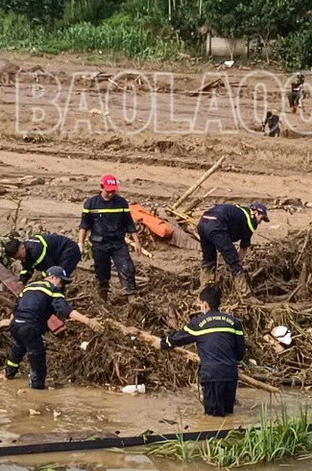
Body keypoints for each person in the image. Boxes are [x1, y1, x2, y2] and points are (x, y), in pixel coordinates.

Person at [159, 285, 247, 416]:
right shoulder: (234, 323)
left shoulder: (198, 324)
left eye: (200, 304)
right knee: (228, 414)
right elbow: (240, 353)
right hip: (230, 375)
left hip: (212, 376)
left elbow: (177, 339)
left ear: (205, 305)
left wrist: (163, 343)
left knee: (213, 418)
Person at [4, 266, 95, 389]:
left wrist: (11, 324)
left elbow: (17, 308)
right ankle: (36, 391)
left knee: (18, 349)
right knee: (37, 358)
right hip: (30, 327)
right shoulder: (53, 289)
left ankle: (7, 376)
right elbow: (65, 310)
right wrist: (89, 322)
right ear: (53, 278)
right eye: (61, 281)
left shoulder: (30, 286)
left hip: (15, 325)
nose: (62, 286)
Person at [79, 175, 140, 297]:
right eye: (108, 191)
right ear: (101, 187)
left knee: (127, 268)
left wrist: (137, 241)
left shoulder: (121, 203)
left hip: (118, 243)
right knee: (102, 272)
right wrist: (80, 242)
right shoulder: (91, 204)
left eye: (113, 191)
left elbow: (129, 223)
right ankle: (103, 296)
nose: (111, 194)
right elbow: (84, 225)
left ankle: (131, 297)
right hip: (99, 244)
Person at [195, 201, 267, 286]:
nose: (260, 222)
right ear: (256, 212)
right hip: (216, 224)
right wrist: (235, 264)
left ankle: (205, 289)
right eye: (261, 218)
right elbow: (243, 248)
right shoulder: (251, 221)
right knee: (233, 259)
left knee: (208, 258)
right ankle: (244, 293)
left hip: (203, 222)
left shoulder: (240, 210)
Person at [3, 232, 83, 285]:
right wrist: (22, 280)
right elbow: (27, 268)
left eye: (19, 257)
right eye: (17, 259)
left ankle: (57, 304)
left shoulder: (36, 251)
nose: (20, 260)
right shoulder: (27, 252)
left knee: (57, 278)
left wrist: (39, 283)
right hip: (56, 255)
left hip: (69, 251)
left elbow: (50, 269)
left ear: (22, 247)